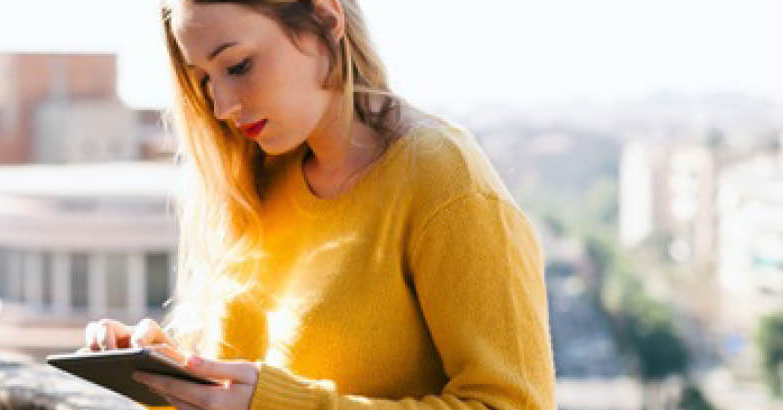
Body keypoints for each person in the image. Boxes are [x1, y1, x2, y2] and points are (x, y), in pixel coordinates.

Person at [81, 1, 556, 409]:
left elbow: (511, 403)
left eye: (238, 66)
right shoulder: (257, 179)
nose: (221, 104)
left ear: (325, 21)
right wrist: (170, 373)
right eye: (204, 79)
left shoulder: (445, 181)